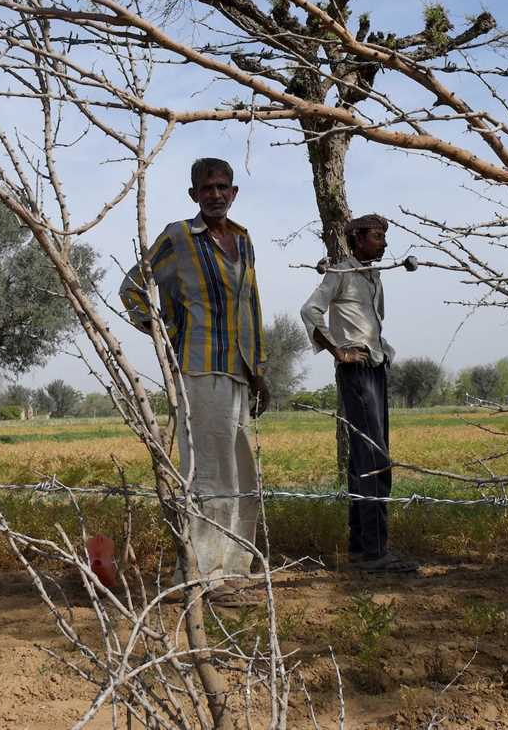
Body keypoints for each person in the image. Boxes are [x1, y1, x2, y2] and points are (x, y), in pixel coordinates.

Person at [120, 157, 271, 602]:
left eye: (223, 187)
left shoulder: (243, 240)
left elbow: (253, 306)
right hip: (200, 368)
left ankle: (236, 570)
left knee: (243, 475)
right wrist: (165, 329)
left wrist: (260, 370)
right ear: (193, 194)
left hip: (240, 370)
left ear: (234, 192)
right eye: (207, 188)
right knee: (210, 475)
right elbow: (132, 287)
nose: (216, 194)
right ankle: (203, 576)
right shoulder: (178, 237)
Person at [300, 213, 417, 574]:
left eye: (384, 236)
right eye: (378, 236)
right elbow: (310, 310)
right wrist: (338, 351)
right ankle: (376, 551)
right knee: (375, 457)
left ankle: (360, 546)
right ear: (358, 240)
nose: (384, 243)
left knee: (363, 458)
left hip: (375, 365)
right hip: (357, 368)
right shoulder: (341, 274)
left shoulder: (371, 275)